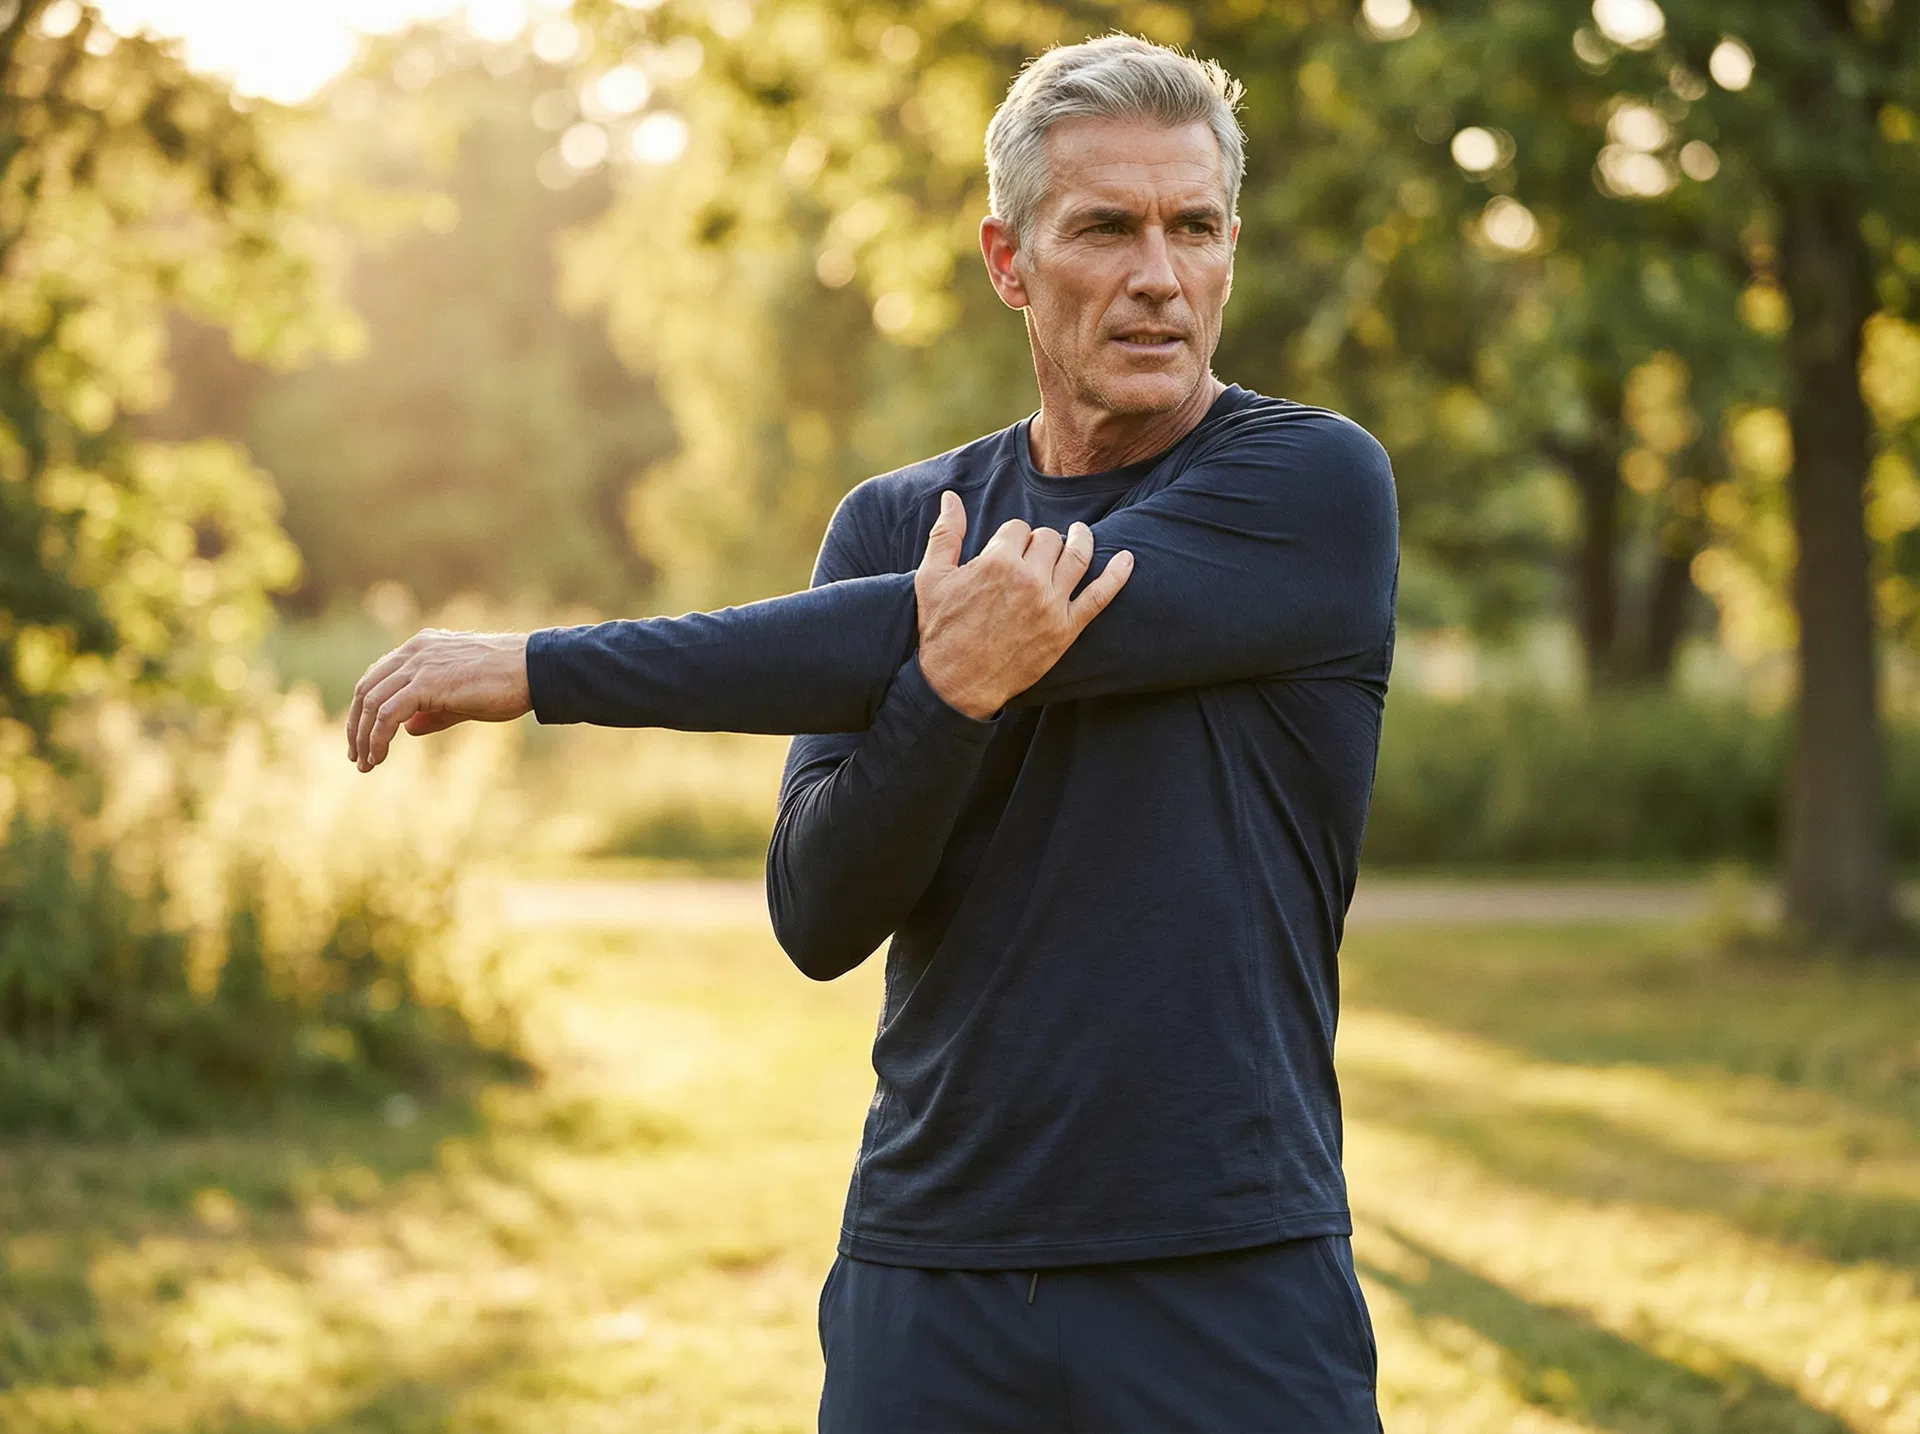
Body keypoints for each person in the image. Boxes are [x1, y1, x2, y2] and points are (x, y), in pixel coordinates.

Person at [346, 34, 1397, 1432]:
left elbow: (875, 634)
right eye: (1106, 228)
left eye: (1192, 226)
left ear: (1227, 247)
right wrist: (951, 696)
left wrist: (540, 664)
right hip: (932, 1273)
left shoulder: (1307, 486)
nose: (1158, 274)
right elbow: (819, 911)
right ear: (1009, 260)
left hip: (1225, 1267)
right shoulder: (897, 525)